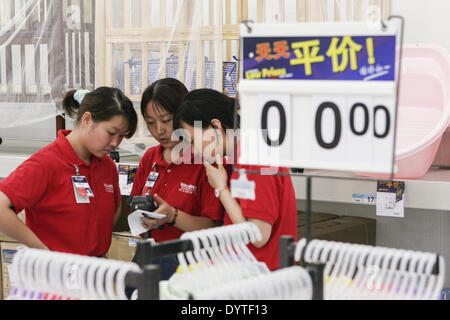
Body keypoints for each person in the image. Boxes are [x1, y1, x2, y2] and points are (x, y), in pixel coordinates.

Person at [0, 87, 138, 257]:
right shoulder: (46, 163)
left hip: (93, 270)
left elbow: (113, 210)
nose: (115, 143)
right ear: (87, 119)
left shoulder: (106, 165)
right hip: (55, 272)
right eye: (111, 133)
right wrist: (41, 250)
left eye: (122, 136)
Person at [174, 88, 297, 270]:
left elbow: (258, 236)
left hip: (264, 277)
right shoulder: (241, 155)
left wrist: (221, 189)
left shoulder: (253, 156)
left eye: (192, 140)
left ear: (216, 126)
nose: (192, 150)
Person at [127, 78, 224, 280]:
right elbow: (134, 207)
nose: (159, 130)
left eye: (166, 120)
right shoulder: (150, 158)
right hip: (148, 255)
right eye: (150, 123)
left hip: (193, 265)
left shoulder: (205, 160)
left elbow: (215, 229)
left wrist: (173, 215)